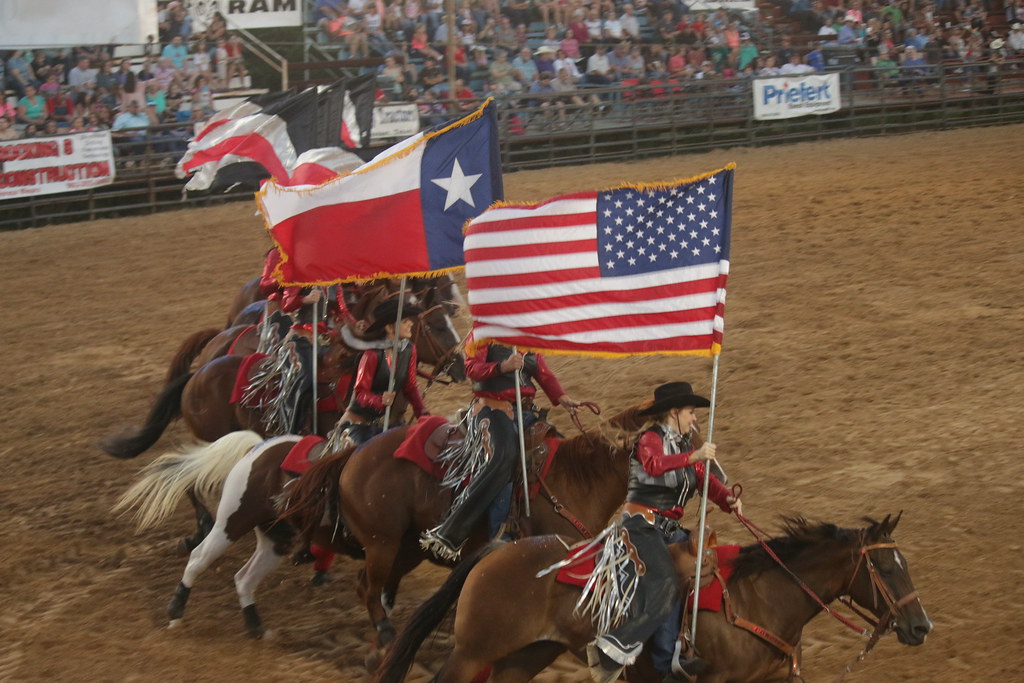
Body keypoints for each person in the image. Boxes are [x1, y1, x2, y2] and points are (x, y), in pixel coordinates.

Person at [587, 382, 741, 683]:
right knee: (665, 582)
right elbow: (654, 465)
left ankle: (683, 648)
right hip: (640, 527)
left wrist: (727, 500)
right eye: (690, 412)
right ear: (674, 412)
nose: (694, 419)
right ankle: (642, 658)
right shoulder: (649, 439)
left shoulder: (683, 446)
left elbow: (701, 479)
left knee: (707, 572)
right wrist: (694, 457)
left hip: (669, 529)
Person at [420, 336, 582, 560]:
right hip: (490, 409)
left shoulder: (525, 336)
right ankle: (486, 531)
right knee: (505, 456)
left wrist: (562, 398)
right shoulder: (482, 334)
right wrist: (502, 367)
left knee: (558, 453)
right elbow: (472, 369)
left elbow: (543, 373)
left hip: (525, 411)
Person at [336, 297, 429, 447]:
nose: (411, 323)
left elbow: (410, 387)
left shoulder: (409, 350)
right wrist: (379, 400)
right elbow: (360, 393)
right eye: (405, 321)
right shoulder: (371, 355)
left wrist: (423, 414)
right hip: (359, 424)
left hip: (386, 423)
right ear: (390, 328)